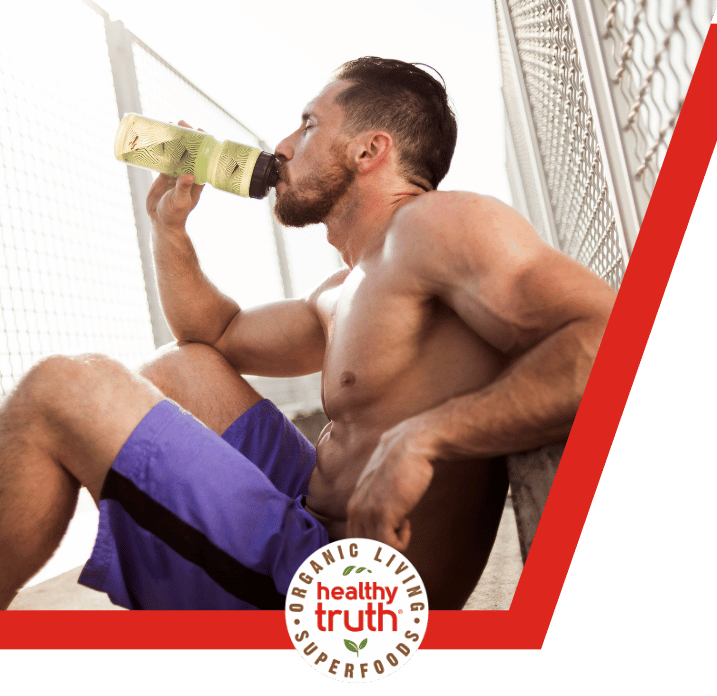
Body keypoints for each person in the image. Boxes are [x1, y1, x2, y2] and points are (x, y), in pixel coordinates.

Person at [0, 57, 615, 611]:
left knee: (58, 389)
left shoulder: (439, 224)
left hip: (353, 598)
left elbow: (610, 344)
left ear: (369, 151)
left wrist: (425, 437)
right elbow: (215, 331)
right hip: (310, 528)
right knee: (182, 368)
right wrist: (170, 233)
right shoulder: (346, 285)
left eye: (309, 124)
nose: (284, 145)